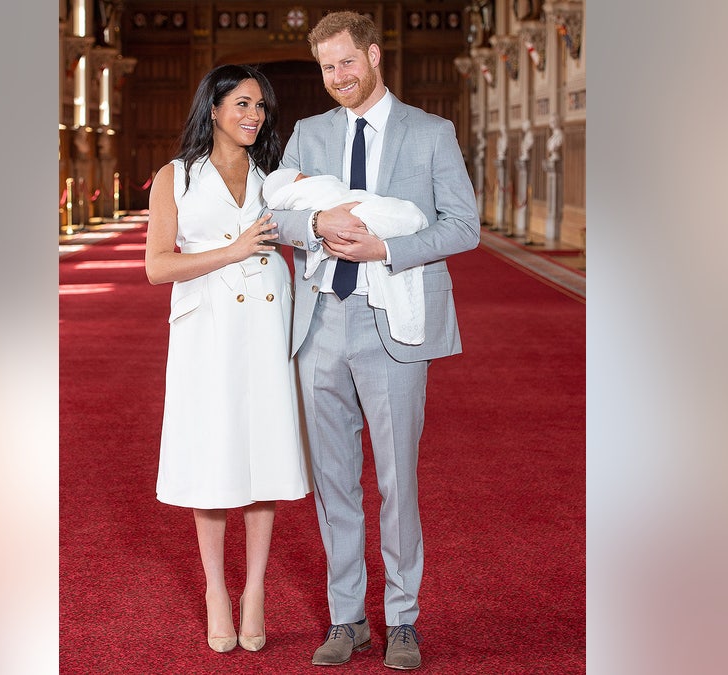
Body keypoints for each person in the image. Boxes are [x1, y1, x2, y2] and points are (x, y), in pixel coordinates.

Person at [266, 11, 480, 671]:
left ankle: (404, 619)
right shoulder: (309, 133)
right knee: (334, 481)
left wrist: (386, 244)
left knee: (397, 480)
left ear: (373, 55)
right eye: (327, 68)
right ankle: (347, 617)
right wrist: (318, 220)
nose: (337, 78)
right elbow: (275, 213)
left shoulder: (431, 132)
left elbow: (463, 226)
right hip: (321, 323)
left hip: (393, 322)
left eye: (346, 63)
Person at [145, 64, 311, 655]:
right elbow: (158, 266)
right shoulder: (176, 178)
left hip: (267, 323)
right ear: (212, 109)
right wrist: (233, 249)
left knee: (263, 453)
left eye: (261, 106)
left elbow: (311, 222)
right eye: (242, 103)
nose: (253, 116)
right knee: (214, 457)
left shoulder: (275, 177)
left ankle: (255, 591)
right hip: (207, 330)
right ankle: (218, 588)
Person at [261, 168, 429, 345]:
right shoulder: (302, 145)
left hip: (381, 303)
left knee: (392, 213)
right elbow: (267, 218)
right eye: (302, 178)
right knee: (382, 215)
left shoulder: (433, 139)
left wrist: (385, 250)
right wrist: (317, 223)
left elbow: (460, 223)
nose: (309, 178)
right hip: (319, 308)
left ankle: (407, 218)